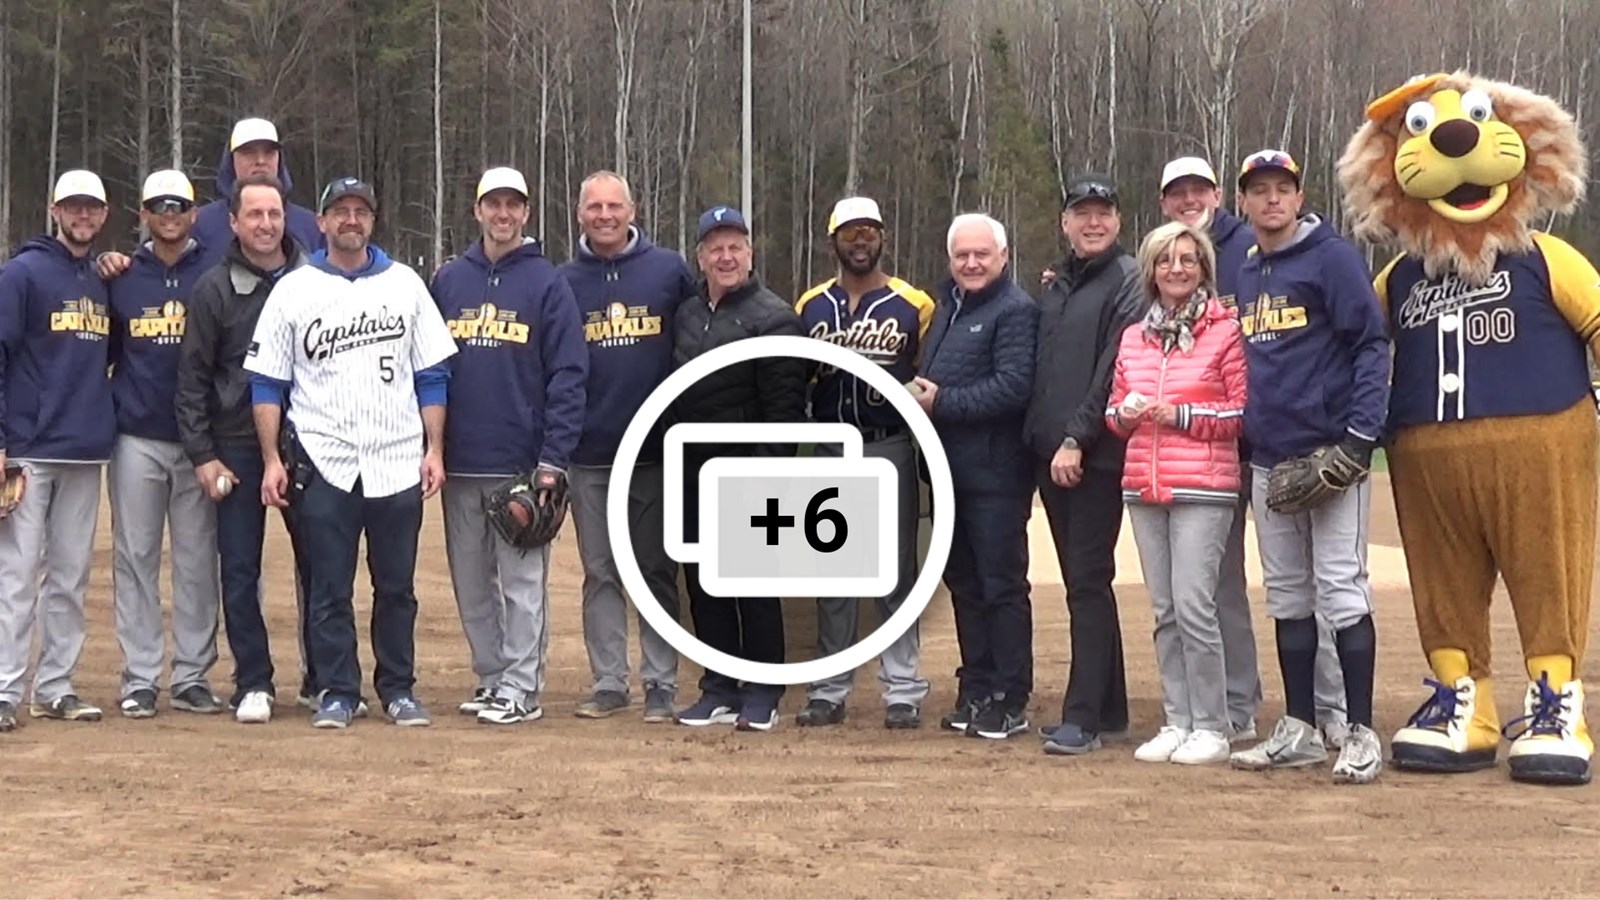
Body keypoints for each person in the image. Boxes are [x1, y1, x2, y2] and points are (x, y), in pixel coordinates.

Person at [244, 176, 458, 730]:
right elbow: (268, 382)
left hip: (395, 459)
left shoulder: (406, 285)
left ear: (372, 221)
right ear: (320, 222)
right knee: (329, 586)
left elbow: (431, 375)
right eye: (340, 210)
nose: (351, 220)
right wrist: (272, 459)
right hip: (325, 457)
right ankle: (338, 690)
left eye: (360, 211)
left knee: (396, 587)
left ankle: (399, 688)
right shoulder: (294, 289)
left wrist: (435, 449)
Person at [1158, 155, 1348, 748]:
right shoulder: (1166, 257)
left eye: (1198, 190)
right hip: (1216, 449)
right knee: (1226, 586)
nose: (1189, 200)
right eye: (1177, 192)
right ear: (1165, 201)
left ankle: (1331, 707)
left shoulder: (1255, 249)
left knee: (1312, 583)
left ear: (1218, 196)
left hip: (1274, 439)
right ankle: (1241, 704)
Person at [1225, 150, 1390, 784]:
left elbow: (1372, 346)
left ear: (1299, 198)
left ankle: (1359, 732)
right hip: (1271, 457)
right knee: (1289, 597)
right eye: (1259, 190)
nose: (1271, 199)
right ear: (1243, 202)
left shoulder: (1333, 259)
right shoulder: (1246, 272)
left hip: (1333, 454)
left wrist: (1358, 438)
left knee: (1343, 590)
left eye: (1282, 189)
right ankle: (1298, 726)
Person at [431, 166, 587, 725]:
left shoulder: (547, 283)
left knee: (522, 585)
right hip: (462, 459)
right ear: (477, 211)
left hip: (520, 463)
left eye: (512, 205)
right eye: (492, 204)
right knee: (471, 583)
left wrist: (552, 459)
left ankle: (523, 687)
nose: (502, 214)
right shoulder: (449, 281)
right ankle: (491, 677)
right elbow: (428, 369)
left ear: (525, 213)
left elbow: (569, 375)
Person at [1105, 221, 1247, 766]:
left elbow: (1238, 412)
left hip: (1204, 486)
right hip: (1145, 482)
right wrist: (1126, 413)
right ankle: (1177, 718)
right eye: (1166, 261)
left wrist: (1182, 414)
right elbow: (1115, 413)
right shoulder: (1134, 336)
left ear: (1204, 268)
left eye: (1187, 259)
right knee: (1163, 609)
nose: (1177, 269)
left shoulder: (1224, 331)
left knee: (1194, 606)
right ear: (1151, 271)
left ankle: (1213, 724)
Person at [558, 170, 693, 723]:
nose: (606, 216)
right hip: (590, 452)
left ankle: (661, 682)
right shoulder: (563, 281)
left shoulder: (669, 270)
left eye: (615, 206)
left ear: (633, 211)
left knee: (655, 569)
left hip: (656, 452)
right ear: (580, 213)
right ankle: (609, 681)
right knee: (601, 571)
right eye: (596, 207)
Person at [794, 196, 933, 730]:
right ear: (832, 242)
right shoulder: (809, 305)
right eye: (850, 232)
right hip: (828, 446)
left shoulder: (913, 304)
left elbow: (931, 379)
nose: (860, 240)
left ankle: (902, 687)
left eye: (869, 231)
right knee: (832, 568)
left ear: (882, 238)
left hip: (887, 442)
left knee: (895, 569)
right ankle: (830, 685)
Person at [669, 205, 806, 732]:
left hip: (750, 476)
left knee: (753, 586)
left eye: (735, 246)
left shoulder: (775, 319)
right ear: (700, 257)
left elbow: (785, 415)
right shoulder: (687, 313)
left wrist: (764, 480)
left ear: (750, 253)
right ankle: (719, 685)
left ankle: (765, 688)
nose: (725, 256)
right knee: (704, 585)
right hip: (694, 472)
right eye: (715, 248)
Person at [1023, 176, 1142, 755]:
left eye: (1103, 214)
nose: (1092, 223)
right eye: (1081, 214)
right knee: (1082, 580)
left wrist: (1076, 438)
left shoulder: (1128, 281)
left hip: (1093, 455)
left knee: (1088, 584)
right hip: (1054, 452)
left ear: (1118, 222)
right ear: (1065, 223)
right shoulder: (1061, 283)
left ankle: (1083, 717)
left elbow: (1112, 370)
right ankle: (1110, 707)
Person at [0, 170, 117, 730]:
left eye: (91, 208)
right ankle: (4, 688)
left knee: (70, 578)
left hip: (84, 448)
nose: (83, 216)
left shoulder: (101, 279)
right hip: (27, 449)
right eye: (73, 207)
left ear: (104, 214)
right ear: (55, 210)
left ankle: (55, 685)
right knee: (18, 573)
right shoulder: (23, 273)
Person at [916, 213, 1040, 741]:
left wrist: (941, 400)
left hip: (997, 475)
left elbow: (1013, 387)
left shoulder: (1015, 311)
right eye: (962, 255)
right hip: (948, 475)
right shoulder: (947, 306)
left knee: (1001, 586)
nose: (971, 263)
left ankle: (1011, 696)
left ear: (1003, 257)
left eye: (981, 254)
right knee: (964, 585)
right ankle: (978, 684)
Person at [106, 169, 223, 717]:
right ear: (144, 216)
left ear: (194, 214)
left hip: (200, 441)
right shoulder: (122, 276)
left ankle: (192, 675)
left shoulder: (216, 270)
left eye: (179, 206)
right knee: (135, 557)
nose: (170, 214)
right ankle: (140, 676)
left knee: (199, 560)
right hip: (137, 437)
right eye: (159, 206)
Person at [99, 117, 323, 278]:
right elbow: (157, 263)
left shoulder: (310, 226)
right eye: (249, 153)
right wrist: (114, 262)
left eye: (269, 152)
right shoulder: (201, 223)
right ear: (231, 159)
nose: (260, 161)